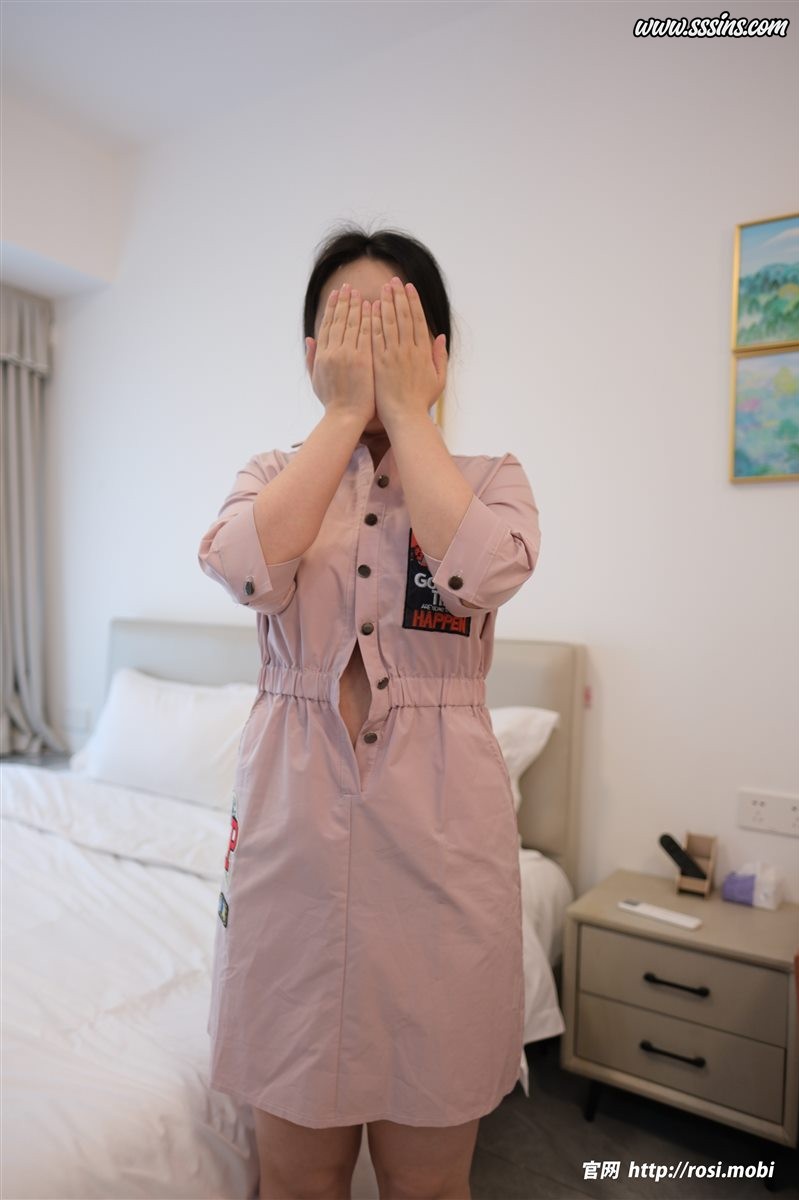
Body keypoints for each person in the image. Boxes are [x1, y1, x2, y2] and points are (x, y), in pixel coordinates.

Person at [197, 224, 543, 1200]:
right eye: (349, 324)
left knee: (427, 1182)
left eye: (392, 323)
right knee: (294, 1178)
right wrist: (346, 414)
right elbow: (242, 565)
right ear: (314, 352)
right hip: (290, 849)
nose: (370, 341)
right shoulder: (270, 475)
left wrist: (405, 413)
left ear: (436, 352)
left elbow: (482, 572)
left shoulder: (490, 481)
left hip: (440, 851)